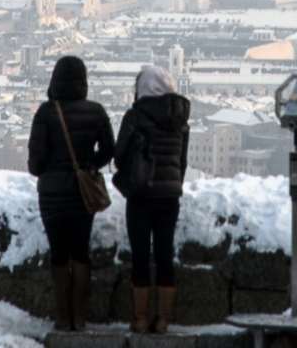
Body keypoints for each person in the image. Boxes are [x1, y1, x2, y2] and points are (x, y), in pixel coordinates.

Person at [28, 55, 114, 331]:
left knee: (58, 254)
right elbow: (110, 150)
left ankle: (62, 318)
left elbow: (35, 163)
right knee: (80, 253)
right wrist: (89, 167)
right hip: (81, 194)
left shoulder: (45, 113)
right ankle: (80, 317)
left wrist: (48, 170)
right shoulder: (97, 112)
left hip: (52, 195)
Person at [114, 63, 192, 334]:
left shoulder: (135, 116)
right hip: (169, 195)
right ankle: (162, 320)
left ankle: (139, 318)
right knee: (164, 254)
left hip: (141, 194)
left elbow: (120, 153)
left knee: (140, 255)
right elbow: (182, 162)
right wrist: (173, 184)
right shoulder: (180, 118)